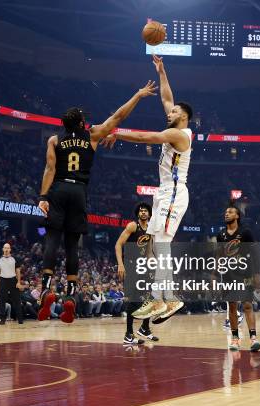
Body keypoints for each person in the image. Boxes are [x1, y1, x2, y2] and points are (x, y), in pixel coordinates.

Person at [37, 81, 158, 323]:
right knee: (72, 245)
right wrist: (138, 94)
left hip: (59, 189)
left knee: (52, 240)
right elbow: (119, 115)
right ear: (81, 123)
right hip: (79, 191)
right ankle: (70, 296)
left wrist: (43, 197)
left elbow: (49, 169)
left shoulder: (54, 140)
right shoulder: (92, 135)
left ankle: (46, 290)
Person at [102, 55, 190, 323]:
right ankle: (167, 298)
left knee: (161, 245)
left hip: (173, 193)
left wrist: (117, 133)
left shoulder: (179, 134)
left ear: (183, 118)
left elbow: (146, 137)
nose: (169, 112)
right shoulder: (175, 121)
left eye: (174, 112)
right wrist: (162, 71)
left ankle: (161, 299)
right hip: (163, 192)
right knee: (154, 246)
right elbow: (166, 98)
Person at [216, 205, 260, 352]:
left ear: (237, 216)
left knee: (247, 305)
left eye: (230, 212)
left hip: (246, 274)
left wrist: (257, 274)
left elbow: (255, 254)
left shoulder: (245, 232)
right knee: (232, 306)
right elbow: (219, 256)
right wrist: (215, 275)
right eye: (225, 212)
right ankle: (235, 339)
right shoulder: (221, 235)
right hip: (229, 275)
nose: (226, 214)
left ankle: (253, 338)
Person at [115, 202, 159, 345]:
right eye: (141, 211)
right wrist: (121, 264)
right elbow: (118, 244)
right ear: (138, 213)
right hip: (131, 265)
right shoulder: (133, 226)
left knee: (150, 298)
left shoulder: (151, 230)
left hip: (143, 267)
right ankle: (128, 334)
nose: (143, 213)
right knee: (134, 300)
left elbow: (149, 252)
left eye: (146, 211)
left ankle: (145, 328)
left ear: (150, 213)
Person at [0, 243, 23, 325]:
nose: (6, 249)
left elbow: (18, 271)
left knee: (17, 300)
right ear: (3, 249)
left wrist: (19, 281)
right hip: (3, 280)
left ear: (10, 249)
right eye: (5, 248)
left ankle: (20, 319)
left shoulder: (15, 258)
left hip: (13, 280)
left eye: (8, 248)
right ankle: (2, 319)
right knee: (2, 300)